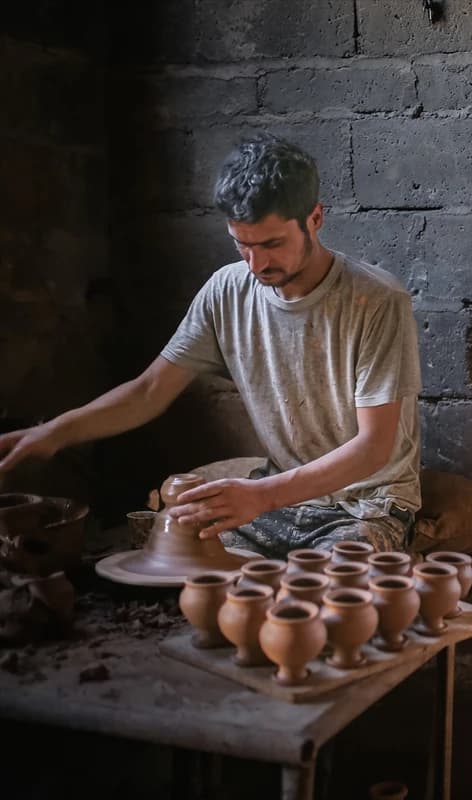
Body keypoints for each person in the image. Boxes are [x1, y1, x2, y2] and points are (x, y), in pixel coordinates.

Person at [0, 134, 422, 557]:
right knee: (170, 547)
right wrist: (53, 433)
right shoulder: (226, 290)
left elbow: (373, 448)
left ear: (314, 218)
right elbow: (149, 391)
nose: (256, 264)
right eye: (243, 243)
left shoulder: (377, 300)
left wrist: (261, 496)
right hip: (281, 499)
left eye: (272, 244)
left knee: (327, 586)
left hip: (366, 506)